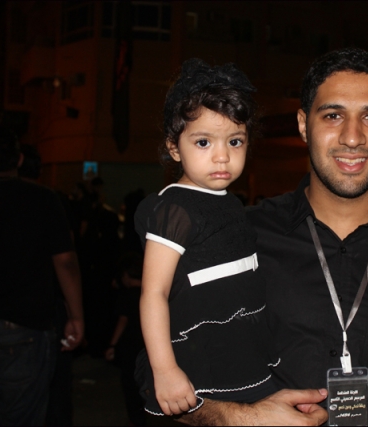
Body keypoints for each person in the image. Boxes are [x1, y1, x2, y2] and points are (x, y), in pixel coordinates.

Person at [180, 48, 368, 426]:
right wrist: (243, 418)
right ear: (303, 124)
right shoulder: (235, 238)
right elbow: (155, 376)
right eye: (333, 115)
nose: (353, 137)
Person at [133, 59, 284, 417]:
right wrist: (165, 370)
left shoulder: (230, 201)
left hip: (244, 352)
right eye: (203, 142)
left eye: (235, 141)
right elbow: (153, 293)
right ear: (174, 148)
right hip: (202, 361)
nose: (222, 156)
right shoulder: (175, 208)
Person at [0, 126, 84, 425]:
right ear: (18, 160)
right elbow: (65, 262)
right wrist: (76, 316)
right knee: (21, 415)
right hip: (23, 327)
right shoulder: (42, 199)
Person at [105, 252, 146, 426]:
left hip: (131, 346)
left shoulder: (127, 295)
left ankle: (137, 420)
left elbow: (123, 320)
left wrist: (112, 344)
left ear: (127, 275)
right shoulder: (150, 293)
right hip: (147, 345)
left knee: (130, 384)